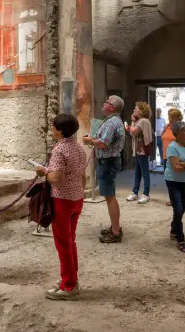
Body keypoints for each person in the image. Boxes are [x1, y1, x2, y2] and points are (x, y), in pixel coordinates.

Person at [36, 114, 87, 301]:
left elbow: (57, 178)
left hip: (62, 199)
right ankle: (70, 279)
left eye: (53, 126)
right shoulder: (79, 148)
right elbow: (82, 176)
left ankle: (69, 286)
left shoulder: (59, 150)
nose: (52, 129)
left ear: (59, 130)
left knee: (63, 243)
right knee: (70, 240)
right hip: (76, 198)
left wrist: (44, 172)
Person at [83, 95, 125, 243]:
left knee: (110, 197)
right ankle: (115, 227)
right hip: (109, 161)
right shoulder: (112, 121)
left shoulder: (112, 123)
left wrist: (89, 140)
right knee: (109, 196)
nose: (104, 103)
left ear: (112, 107)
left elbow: (103, 143)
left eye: (106, 102)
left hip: (107, 162)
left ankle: (115, 232)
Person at [165, 122, 185, 253]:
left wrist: (184, 164)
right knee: (178, 209)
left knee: (182, 208)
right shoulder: (172, 147)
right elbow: (175, 168)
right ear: (177, 134)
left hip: (184, 180)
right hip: (172, 180)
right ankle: (180, 239)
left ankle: (174, 229)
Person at [126, 102, 153, 204]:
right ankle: (135, 192)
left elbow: (132, 132)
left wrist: (131, 122)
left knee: (144, 172)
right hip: (138, 150)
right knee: (137, 171)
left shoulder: (142, 121)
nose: (134, 110)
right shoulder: (142, 121)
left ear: (141, 111)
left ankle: (146, 194)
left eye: (135, 109)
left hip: (142, 150)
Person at [161, 108, 183, 206]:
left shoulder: (181, 128)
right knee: (169, 179)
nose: (170, 119)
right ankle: (173, 199)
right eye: (169, 116)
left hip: (176, 157)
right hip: (166, 156)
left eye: (172, 117)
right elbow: (162, 136)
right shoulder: (167, 126)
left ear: (178, 118)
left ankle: (179, 199)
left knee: (177, 179)